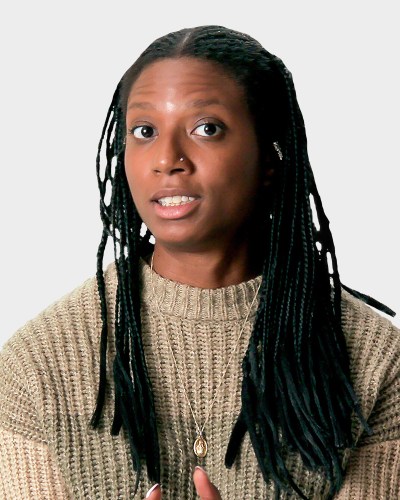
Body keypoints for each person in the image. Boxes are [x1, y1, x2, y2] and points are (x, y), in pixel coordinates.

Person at [0, 25, 399, 500]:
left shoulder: (375, 363)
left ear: (270, 159)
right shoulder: (38, 364)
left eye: (206, 128)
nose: (167, 159)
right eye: (144, 131)